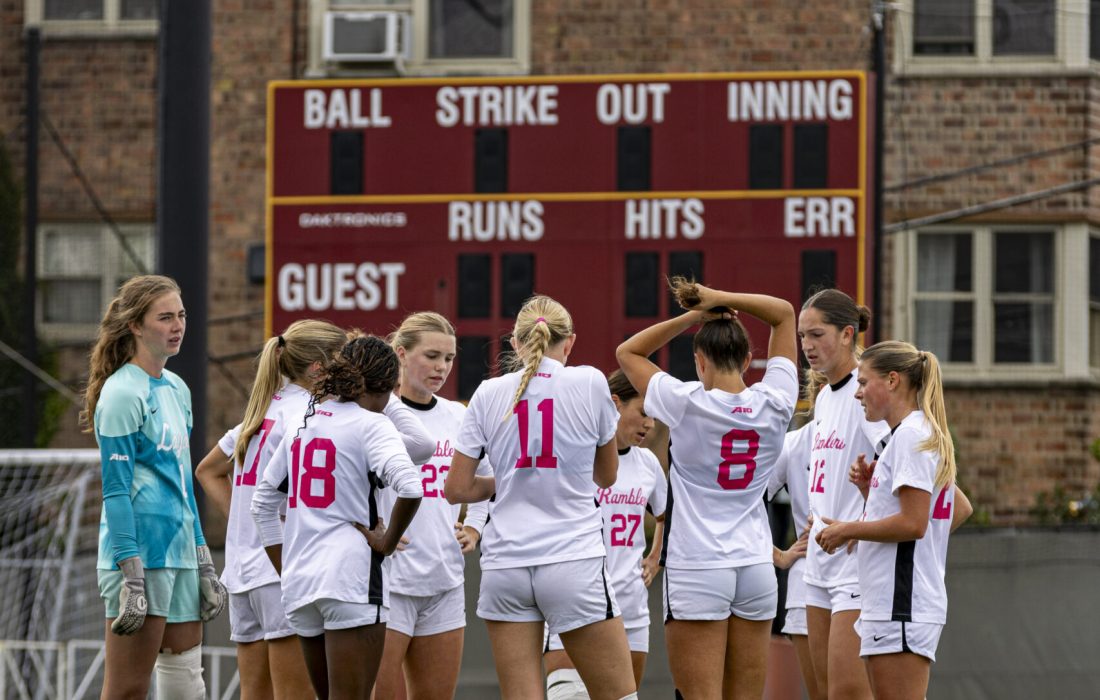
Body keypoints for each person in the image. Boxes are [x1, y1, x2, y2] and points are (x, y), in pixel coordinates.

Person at [445, 295, 638, 700]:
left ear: (516, 343)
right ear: (569, 342)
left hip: (505, 566)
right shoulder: (589, 381)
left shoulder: (487, 392)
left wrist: (506, 480)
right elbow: (606, 477)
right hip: (571, 559)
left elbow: (457, 489)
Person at [616, 278, 798, 700]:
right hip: (755, 565)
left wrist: (696, 314)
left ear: (699, 361)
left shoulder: (686, 401)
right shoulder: (776, 401)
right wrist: (723, 299)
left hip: (698, 566)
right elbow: (784, 313)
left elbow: (628, 353)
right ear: (749, 359)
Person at [250, 333, 424, 699]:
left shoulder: (304, 420)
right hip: (350, 581)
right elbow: (411, 487)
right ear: (387, 387)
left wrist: (288, 570)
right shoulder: (373, 424)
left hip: (301, 584)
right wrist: (386, 542)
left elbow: (262, 505)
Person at [82, 274, 226, 700]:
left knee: (186, 685)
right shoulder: (121, 393)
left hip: (181, 554)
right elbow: (115, 490)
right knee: (127, 689)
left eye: (181, 315)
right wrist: (131, 574)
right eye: (165, 317)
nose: (177, 326)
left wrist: (202, 557)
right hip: (141, 559)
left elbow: (182, 482)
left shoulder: (178, 389)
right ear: (135, 325)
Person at [194, 319, 346, 699]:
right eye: (342, 361)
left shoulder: (263, 410)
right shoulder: (309, 415)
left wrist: (246, 523)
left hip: (245, 571)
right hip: (282, 569)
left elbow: (207, 471)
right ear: (319, 368)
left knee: (255, 692)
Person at [816, 341, 973, 700]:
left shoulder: (911, 436)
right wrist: (871, 493)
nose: (857, 393)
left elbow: (914, 524)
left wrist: (848, 529)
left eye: (863, 382)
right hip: (893, 604)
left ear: (891, 381)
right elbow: (948, 511)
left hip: (900, 605)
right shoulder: (908, 435)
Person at [372, 312, 491, 700]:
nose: (442, 367)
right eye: (432, 356)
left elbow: (486, 480)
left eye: (449, 358)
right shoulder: (375, 415)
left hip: (443, 580)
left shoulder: (458, 415)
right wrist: (371, 527)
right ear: (402, 354)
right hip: (388, 581)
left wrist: (474, 527)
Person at [542, 369, 668, 698]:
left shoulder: (648, 464)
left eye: (654, 417)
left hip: (631, 609)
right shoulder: (575, 455)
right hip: (575, 603)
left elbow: (666, 515)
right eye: (644, 412)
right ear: (615, 404)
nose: (650, 425)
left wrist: (655, 557)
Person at [798, 288, 888, 700]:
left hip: (855, 565)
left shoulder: (865, 393)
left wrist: (862, 524)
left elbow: (906, 469)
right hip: (819, 561)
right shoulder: (823, 397)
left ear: (848, 334)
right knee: (822, 692)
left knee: (848, 693)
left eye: (817, 334)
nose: (807, 346)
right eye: (802, 336)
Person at [767, 423, 818, 700]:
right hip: (807, 586)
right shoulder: (795, 442)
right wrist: (779, 555)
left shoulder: (877, 432)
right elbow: (742, 500)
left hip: (859, 587)